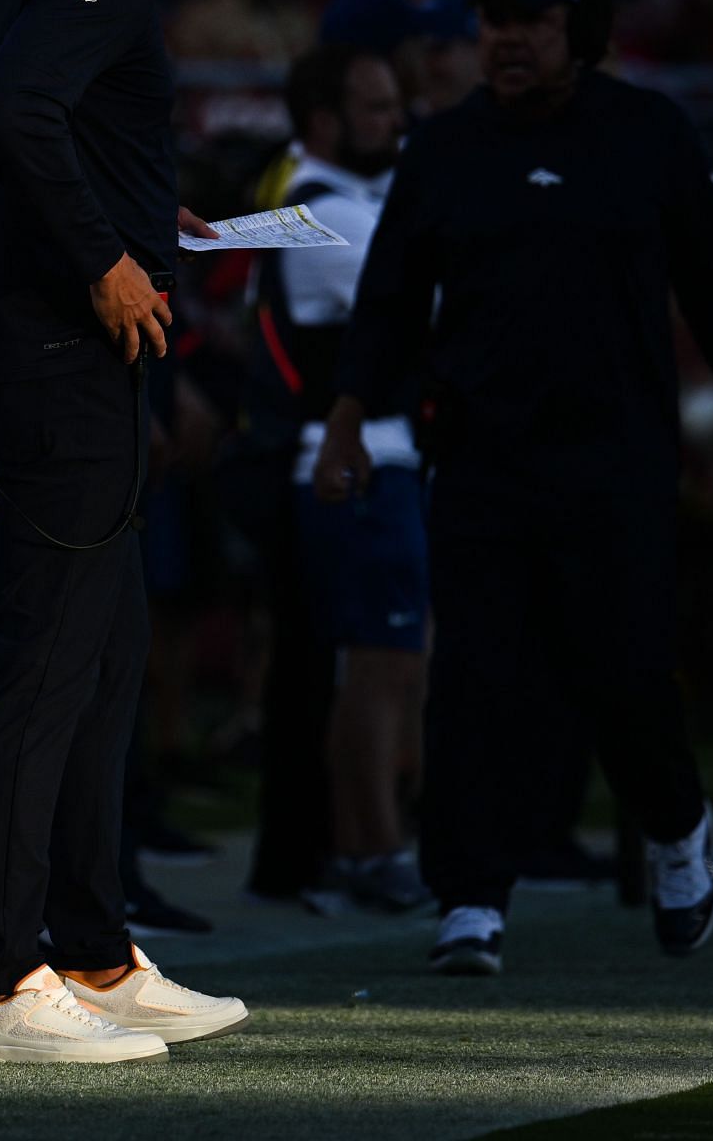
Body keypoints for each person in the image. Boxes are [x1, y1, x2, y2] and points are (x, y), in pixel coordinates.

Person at [316, 0, 713, 974]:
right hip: (482, 453)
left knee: (621, 668)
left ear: (581, 30)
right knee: (478, 676)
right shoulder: (445, 147)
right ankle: (473, 896)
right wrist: (348, 417)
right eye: (494, 18)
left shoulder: (648, 132)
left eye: (531, 18)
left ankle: (675, 829)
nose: (508, 37)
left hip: (617, 455)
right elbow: (392, 295)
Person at [0, 0, 248, 1064]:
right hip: (59, 345)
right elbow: (19, 109)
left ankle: (93, 949)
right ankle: (4, 980)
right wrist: (104, 256)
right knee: (52, 659)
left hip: (20, 331)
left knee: (105, 653)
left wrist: (126, 203)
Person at [264, 45, 430, 915]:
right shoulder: (325, 217)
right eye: (373, 108)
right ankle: (370, 848)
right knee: (377, 665)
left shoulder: (355, 205)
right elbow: (429, 304)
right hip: (356, 463)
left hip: (380, 459)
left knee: (394, 663)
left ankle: (376, 842)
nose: (394, 123)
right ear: (324, 122)